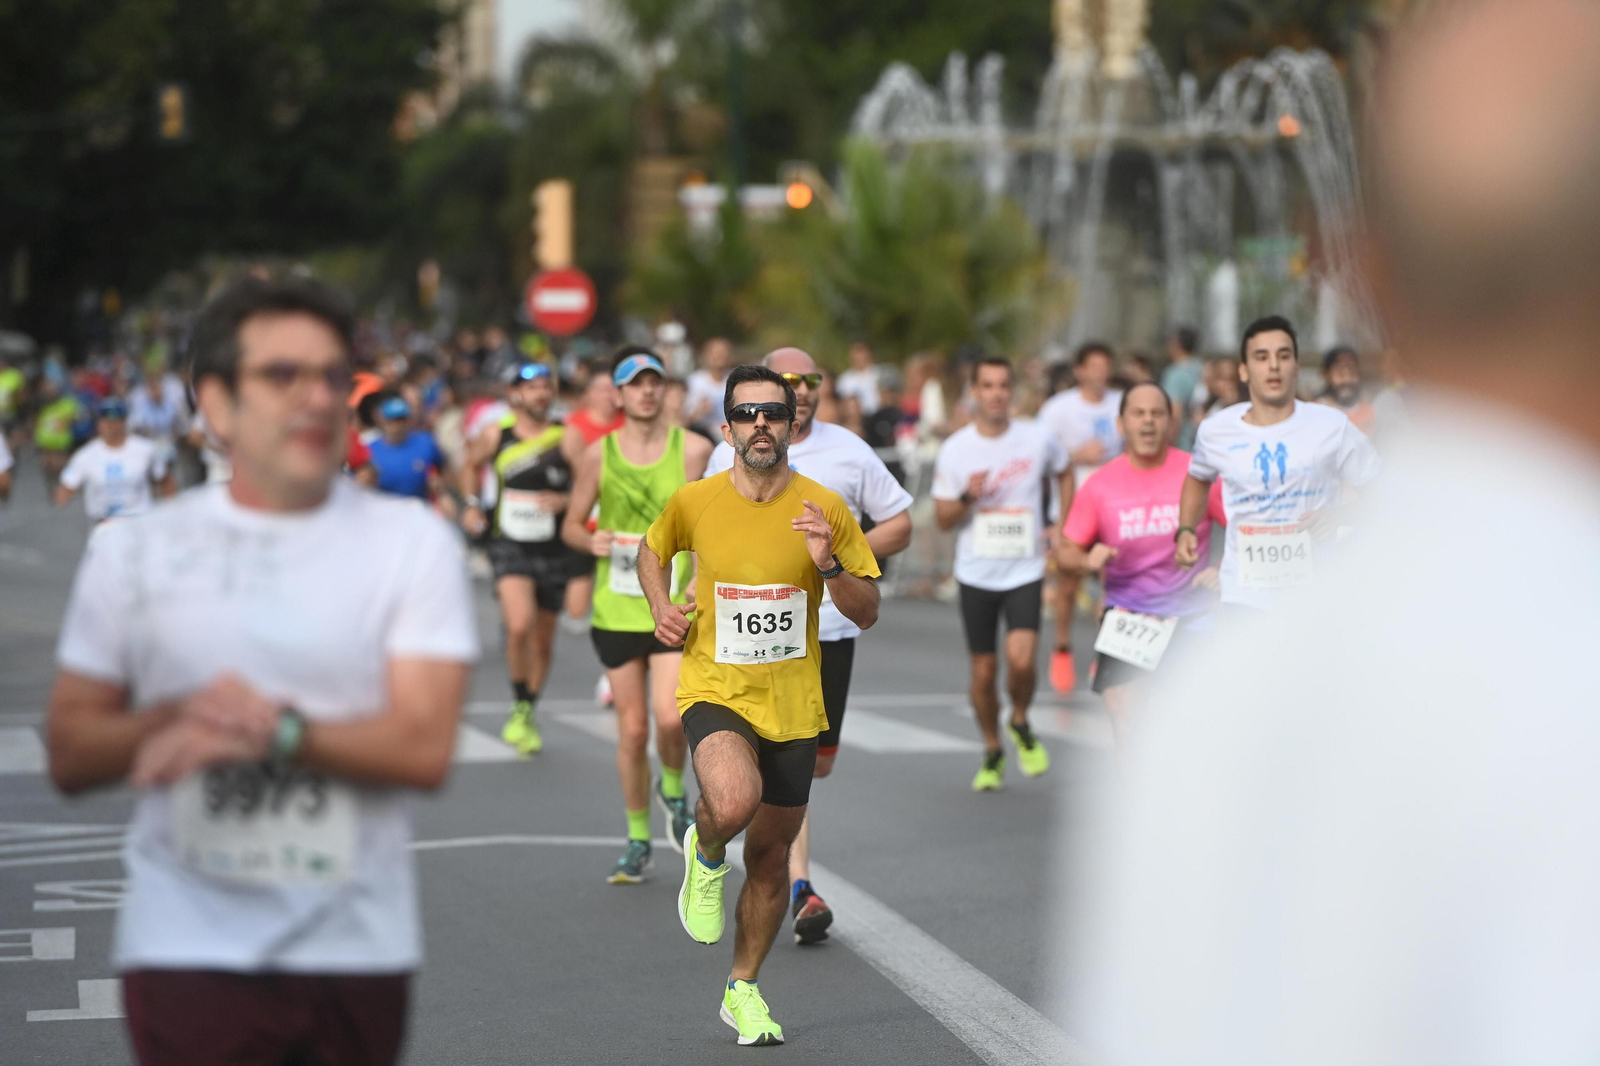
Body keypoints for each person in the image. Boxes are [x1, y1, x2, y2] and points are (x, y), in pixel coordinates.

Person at [1067, 3, 1600, 1061]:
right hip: (1248, 601)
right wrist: (1194, 534)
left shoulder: (1231, 717)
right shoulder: (1221, 446)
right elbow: (1203, 486)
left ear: (1370, 271)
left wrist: (1329, 518)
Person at [45, 276, 476, 1066]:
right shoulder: (133, 551)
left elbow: (424, 748)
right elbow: (70, 751)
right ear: (215, 403)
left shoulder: (412, 544)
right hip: (186, 949)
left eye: (333, 377)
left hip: (353, 950)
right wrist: (181, 717)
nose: (316, 399)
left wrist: (277, 732)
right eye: (283, 375)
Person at [641, 364, 880, 1047]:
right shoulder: (696, 501)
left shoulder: (824, 507)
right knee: (734, 799)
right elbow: (652, 554)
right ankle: (708, 845)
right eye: (746, 415)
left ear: (792, 425)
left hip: (794, 704)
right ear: (727, 429)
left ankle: (742, 988)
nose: (760, 425)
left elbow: (866, 610)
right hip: (715, 687)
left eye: (772, 413)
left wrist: (828, 564)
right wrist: (660, 607)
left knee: (772, 858)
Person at [706, 348, 913, 944]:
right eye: (788, 380)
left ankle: (768, 844)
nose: (801, 389)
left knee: (816, 764)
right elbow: (700, 532)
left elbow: (900, 522)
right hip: (749, 637)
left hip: (829, 629)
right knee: (771, 757)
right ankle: (798, 881)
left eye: (811, 379)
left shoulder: (850, 450)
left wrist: (838, 554)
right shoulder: (731, 451)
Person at [562, 350, 712, 884]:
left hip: (671, 606)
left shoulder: (693, 450)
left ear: (665, 390)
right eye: (635, 384)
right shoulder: (597, 455)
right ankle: (637, 840)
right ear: (618, 395)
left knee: (670, 718)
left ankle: (672, 787)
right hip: (617, 607)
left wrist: (700, 573)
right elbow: (571, 524)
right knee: (631, 730)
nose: (647, 392)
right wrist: (590, 540)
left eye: (655, 382)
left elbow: (710, 522)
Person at [1174, 316, 1382, 610]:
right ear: (1244, 371)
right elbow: (1197, 478)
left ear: (1297, 367)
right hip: (1243, 597)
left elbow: (1383, 490)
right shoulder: (1216, 429)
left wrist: (1341, 514)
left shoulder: (1332, 425)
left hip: (1318, 597)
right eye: (1261, 357)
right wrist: (1186, 529)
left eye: (1283, 356)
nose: (1273, 366)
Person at [1057, 383, 1222, 746]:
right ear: (1121, 424)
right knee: (1127, 723)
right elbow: (1065, 551)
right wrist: (1085, 560)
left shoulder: (1198, 475)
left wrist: (1223, 568)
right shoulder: (1100, 484)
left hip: (1192, 616)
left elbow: (1244, 527)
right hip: (1128, 618)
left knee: (1189, 730)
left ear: (1171, 422)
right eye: (1138, 414)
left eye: (1157, 414)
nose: (1148, 422)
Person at [933, 357, 1071, 791]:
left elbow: (1065, 471)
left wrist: (1061, 523)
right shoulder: (957, 448)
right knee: (983, 673)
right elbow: (942, 519)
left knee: (1023, 659)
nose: (996, 393)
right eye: (987, 385)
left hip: (1024, 567)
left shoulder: (1037, 437)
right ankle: (993, 748)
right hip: (976, 572)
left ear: (1012, 391)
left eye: (1003, 385)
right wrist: (966, 496)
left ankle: (1020, 718)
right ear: (974, 392)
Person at [461, 362, 578, 755]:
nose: (540, 393)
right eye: (531, 387)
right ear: (515, 395)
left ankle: (527, 709)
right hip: (509, 542)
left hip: (553, 545)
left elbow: (590, 483)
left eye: (546, 386)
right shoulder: (497, 433)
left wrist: (566, 500)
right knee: (519, 624)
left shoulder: (566, 436)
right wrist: (471, 504)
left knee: (542, 641)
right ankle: (519, 702)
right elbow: (469, 464)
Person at [1037, 342, 1123, 693]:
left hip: (1115, 507)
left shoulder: (1121, 403)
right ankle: (1062, 646)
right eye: (1094, 367)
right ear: (1079, 370)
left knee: (1114, 584)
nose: (1101, 373)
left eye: (1106, 366)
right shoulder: (1058, 409)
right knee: (1068, 583)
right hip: (1072, 508)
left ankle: (1106, 653)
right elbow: (1041, 458)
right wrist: (1076, 455)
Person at [55, 396, 175, 522]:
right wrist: (63, 495)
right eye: (105, 420)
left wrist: (170, 512)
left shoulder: (145, 449)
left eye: (115, 420)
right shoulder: (85, 456)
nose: (110, 426)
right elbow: (66, 487)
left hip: (139, 521)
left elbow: (165, 480)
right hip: (104, 522)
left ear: (124, 421)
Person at [367, 395, 449, 503]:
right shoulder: (369, 450)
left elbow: (443, 469)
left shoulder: (426, 442)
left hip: (419, 507)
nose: (397, 424)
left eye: (401, 419)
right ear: (383, 420)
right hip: (384, 508)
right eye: (392, 419)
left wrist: (441, 492)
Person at [1317, 346, 1377, 435]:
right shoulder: (1316, 412)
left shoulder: (1370, 412)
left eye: (1352, 373)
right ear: (1326, 375)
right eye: (1340, 373)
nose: (1347, 380)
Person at [34, 378, 83, 489]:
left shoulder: (67, 404)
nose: (49, 394)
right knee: (47, 465)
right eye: (47, 392)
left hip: (61, 442)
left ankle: (64, 485)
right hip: (45, 441)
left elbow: (78, 416)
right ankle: (51, 488)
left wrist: (69, 422)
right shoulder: (41, 406)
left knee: (60, 465)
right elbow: (35, 421)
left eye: (51, 391)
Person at [1160, 327, 1204, 450]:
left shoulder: (1175, 373)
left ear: (1176, 345)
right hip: (1203, 439)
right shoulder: (1203, 368)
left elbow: (1175, 412)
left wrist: (1168, 443)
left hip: (1184, 443)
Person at [684, 336, 734, 438]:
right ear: (705, 356)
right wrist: (700, 411)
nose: (719, 357)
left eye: (723, 353)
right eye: (715, 353)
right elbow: (684, 418)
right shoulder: (694, 382)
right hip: (703, 434)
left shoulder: (737, 380)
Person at [835, 341, 882, 416]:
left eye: (862, 354)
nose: (860, 359)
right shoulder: (845, 379)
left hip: (879, 414)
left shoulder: (880, 374)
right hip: (856, 417)